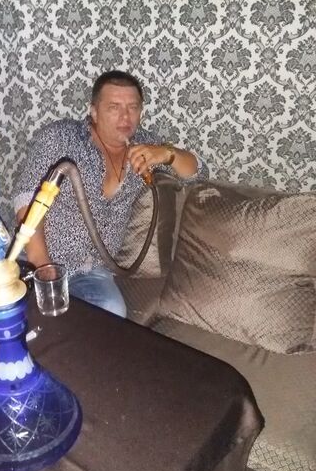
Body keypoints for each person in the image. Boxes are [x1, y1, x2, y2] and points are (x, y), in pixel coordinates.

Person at [13, 70, 208, 318]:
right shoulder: (61, 138)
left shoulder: (145, 146)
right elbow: (26, 199)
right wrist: (42, 265)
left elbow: (198, 173)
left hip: (92, 272)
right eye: (114, 107)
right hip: (38, 260)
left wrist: (168, 154)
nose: (125, 116)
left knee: (113, 313)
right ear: (94, 111)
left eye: (132, 107)